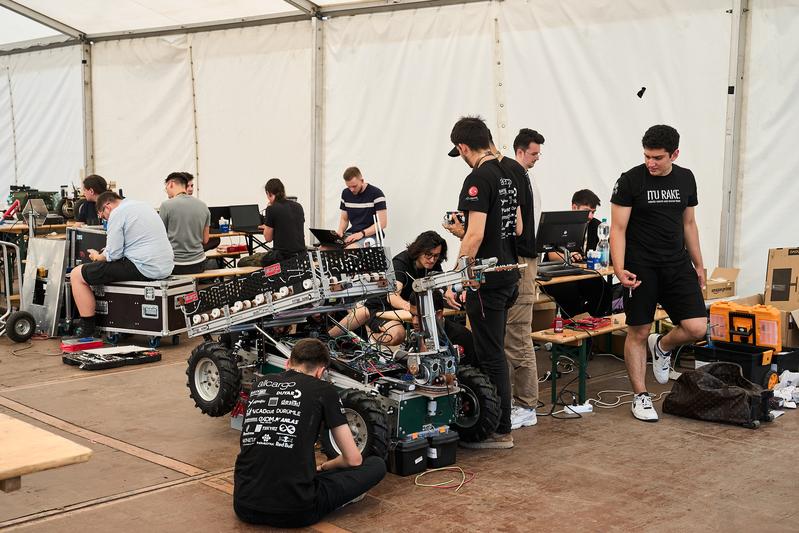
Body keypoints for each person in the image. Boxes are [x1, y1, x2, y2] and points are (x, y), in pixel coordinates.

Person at [233, 338, 386, 528]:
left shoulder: (260, 385)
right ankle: (342, 498)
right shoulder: (324, 390)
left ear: (288, 363)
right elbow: (353, 459)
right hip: (297, 510)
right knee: (376, 465)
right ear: (321, 372)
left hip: (244, 505)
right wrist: (326, 467)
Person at [610, 124, 707, 423]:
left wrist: (699, 263)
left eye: (658, 158)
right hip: (642, 267)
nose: (650, 163)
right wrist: (619, 268)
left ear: (675, 154)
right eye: (647, 156)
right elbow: (618, 228)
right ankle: (640, 395)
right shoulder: (630, 181)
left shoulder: (686, 178)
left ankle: (662, 345)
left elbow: (689, 223)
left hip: (677, 264)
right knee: (638, 331)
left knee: (696, 328)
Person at [447, 116, 522, 449]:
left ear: (463, 147)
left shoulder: (477, 177)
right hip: (509, 275)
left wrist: (456, 276)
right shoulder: (510, 172)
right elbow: (516, 227)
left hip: (486, 282)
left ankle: (499, 430)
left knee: (491, 356)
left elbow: (475, 234)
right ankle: (492, 420)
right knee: (491, 352)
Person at [327, 231, 476, 362]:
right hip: (381, 307)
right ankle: (371, 337)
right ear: (418, 251)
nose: (432, 260)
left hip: (406, 311)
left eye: (436, 256)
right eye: (428, 255)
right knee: (398, 334)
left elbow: (440, 286)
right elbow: (392, 296)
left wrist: (450, 292)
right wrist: (410, 308)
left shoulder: (432, 265)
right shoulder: (401, 263)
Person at [70, 191, 174, 337]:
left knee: (77, 275)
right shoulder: (143, 205)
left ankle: (87, 328)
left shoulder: (117, 213)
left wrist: (97, 256)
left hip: (143, 267)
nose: (105, 220)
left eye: (103, 216)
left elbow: (113, 255)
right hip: (165, 266)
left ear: (107, 206)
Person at [543, 189, 613, 318]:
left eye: (593, 212)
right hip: (556, 277)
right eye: (587, 211)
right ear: (574, 207)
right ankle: (574, 327)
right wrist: (569, 256)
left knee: (604, 290)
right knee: (570, 294)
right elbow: (552, 256)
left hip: (583, 274)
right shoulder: (559, 223)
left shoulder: (597, 225)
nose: (590, 216)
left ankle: (592, 326)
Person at [159, 172, 210, 275]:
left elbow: (161, 238)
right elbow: (205, 240)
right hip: (199, 263)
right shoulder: (203, 206)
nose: (166, 191)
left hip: (176, 264)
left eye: (166, 188)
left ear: (171, 184)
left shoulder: (166, 205)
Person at [336, 167, 387, 247]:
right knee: (324, 248)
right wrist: (340, 230)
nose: (351, 190)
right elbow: (344, 219)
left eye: (354, 186)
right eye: (349, 186)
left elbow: (382, 223)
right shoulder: (345, 193)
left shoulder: (376, 194)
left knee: (350, 249)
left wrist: (361, 234)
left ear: (362, 181)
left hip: (372, 235)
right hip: (352, 234)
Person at [259, 178, 306, 266]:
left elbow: (268, 238)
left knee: (245, 261)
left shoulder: (271, 209)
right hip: (301, 255)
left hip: (283, 257)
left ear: (268, 193)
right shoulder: (298, 206)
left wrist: (266, 226)